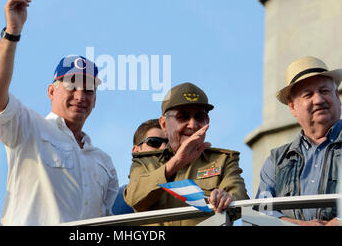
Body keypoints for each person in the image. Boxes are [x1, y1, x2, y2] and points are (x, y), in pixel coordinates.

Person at [0, 0, 119, 225]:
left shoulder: (104, 162)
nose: (80, 96)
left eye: (89, 90)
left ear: (95, 100)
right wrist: (12, 32)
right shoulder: (29, 128)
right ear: (51, 91)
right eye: (71, 86)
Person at [124, 82, 249, 225]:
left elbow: (241, 201)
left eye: (199, 117)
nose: (193, 125)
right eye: (183, 117)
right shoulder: (146, 162)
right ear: (164, 124)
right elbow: (134, 199)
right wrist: (176, 162)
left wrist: (227, 198)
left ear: (207, 121)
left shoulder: (222, 161)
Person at [256, 56, 342, 226]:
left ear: (337, 97)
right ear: (293, 107)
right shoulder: (277, 160)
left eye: (324, 91)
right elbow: (262, 212)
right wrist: (301, 225)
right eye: (308, 94)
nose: (318, 100)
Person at [112, 119, 168, 215]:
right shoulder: (119, 199)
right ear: (136, 150)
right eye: (154, 142)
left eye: (169, 144)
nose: (163, 148)